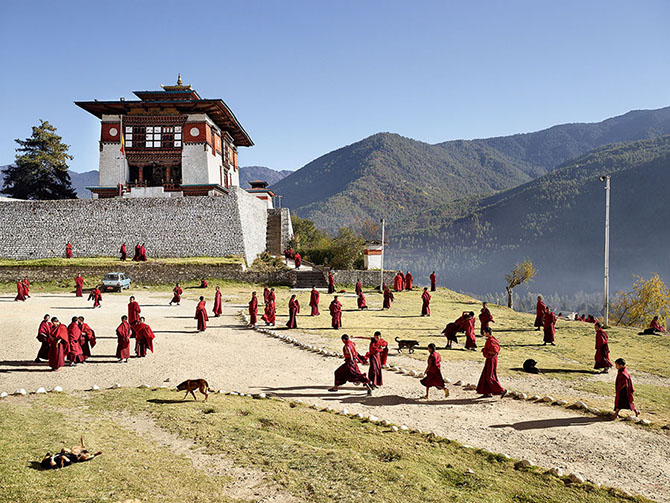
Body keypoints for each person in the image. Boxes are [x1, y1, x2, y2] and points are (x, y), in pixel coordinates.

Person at [476, 327, 507, 398]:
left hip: (491, 359)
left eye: (484, 332)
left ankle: (501, 390)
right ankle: (487, 393)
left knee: (489, 376)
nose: (483, 333)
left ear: (487, 333)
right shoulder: (493, 339)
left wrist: (485, 351)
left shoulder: (490, 341)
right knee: (486, 375)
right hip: (492, 359)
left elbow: (494, 351)